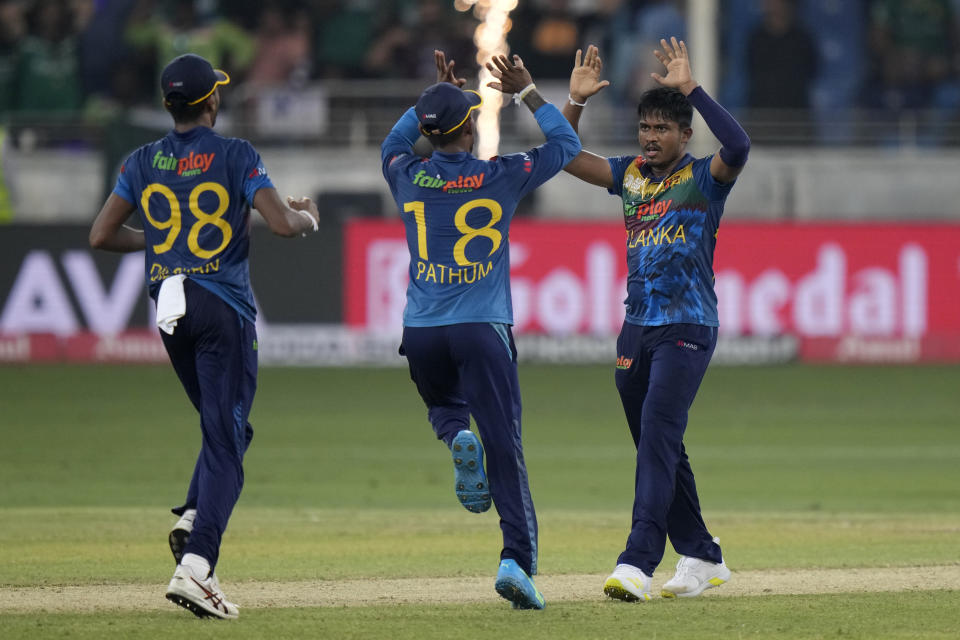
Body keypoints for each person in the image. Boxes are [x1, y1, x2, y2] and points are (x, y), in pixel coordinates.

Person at [89, 53, 320, 619]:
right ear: (211, 102)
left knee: (228, 429)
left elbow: (101, 234)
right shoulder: (235, 153)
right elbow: (285, 225)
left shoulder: (142, 160)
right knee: (226, 438)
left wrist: (168, 244)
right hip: (222, 307)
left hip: (171, 307)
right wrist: (309, 216)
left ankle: (195, 514)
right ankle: (197, 567)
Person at [380, 49, 581, 609]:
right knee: (504, 448)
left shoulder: (408, 175)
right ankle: (516, 560)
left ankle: (453, 437)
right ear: (469, 127)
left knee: (445, 407)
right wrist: (528, 93)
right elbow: (565, 148)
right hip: (481, 327)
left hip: (420, 328)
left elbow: (392, 146)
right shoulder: (501, 174)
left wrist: (427, 101)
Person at [560, 40, 749, 602]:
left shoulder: (704, 178)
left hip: (688, 326)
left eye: (663, 128)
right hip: (635, 329)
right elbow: (566, 156)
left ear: (685, 135)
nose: (651, 136)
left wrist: (692, 89)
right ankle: (702, 554)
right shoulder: (631, 176)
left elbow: (738, 143)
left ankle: (637, 562)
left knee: (660, 435)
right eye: (645, 126)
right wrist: (573, 103)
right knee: (656, 444)